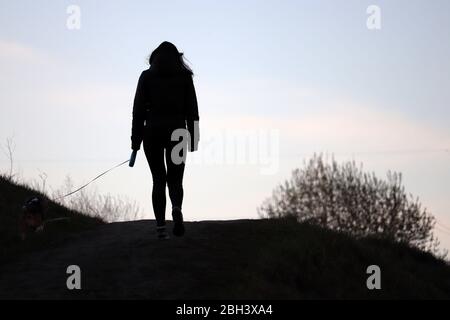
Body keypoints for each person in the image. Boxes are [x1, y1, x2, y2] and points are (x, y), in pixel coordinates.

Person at [131, 41, 199, 240]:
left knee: (158, 179)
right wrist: (194, 139)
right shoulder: (185, 77)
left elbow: (138, 112)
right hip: (178, 132)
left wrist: (135, 142)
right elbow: (193, 111)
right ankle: (176, 208)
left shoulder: (146, 76)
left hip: (152, 133)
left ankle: (161, 227)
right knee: (176, 179)